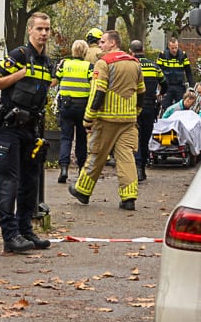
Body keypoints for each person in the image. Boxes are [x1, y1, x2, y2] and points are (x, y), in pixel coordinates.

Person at [0, 12, 55, 254]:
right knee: (9, 182)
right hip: (10, 128)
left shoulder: (47, 62)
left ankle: (25, 231)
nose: (43, 33)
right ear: (30, 31)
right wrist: (19, 74)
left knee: (30, 182)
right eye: (39, 29)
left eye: (47, 29)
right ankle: (10, 235)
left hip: (30, 129)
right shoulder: (19, 55)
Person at [69, 29, 142, 211]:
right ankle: (129, 197)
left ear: (112, 43)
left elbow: (98, 92)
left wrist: (88, 117)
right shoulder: (135, 63)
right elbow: (141, 91)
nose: (99, 45)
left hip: (106, 118)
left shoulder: (103, 63)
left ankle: (82, 190)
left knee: (96, 154)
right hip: (128, 119)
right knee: (126, 158)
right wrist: (136, 111)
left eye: (102, 42)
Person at [54, 39, 92, 184]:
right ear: (85, 51)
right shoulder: (89, 67)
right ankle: (81, 169)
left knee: (66, 138)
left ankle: (64, 169)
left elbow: (54, 82)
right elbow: (93, 85)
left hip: (66, 106)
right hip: (82, 107)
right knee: (81, 139)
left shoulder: (65, 64)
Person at [135, 47, 163, 183]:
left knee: (135, 137)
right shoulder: (154, 67)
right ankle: (142, 167)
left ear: (131, 51)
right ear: (143, 50)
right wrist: (159, 94)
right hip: (149, 106)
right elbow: (164, 83)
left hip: (134, 106)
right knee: (145, 138)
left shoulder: (132, 65)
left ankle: (137, 167)